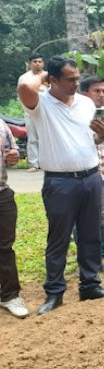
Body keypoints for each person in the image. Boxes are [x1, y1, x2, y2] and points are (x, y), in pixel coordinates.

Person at [17, 56, 104, 315]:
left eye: (77, 77)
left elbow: (95, 139)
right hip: (60, 182)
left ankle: (90, 285)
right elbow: (24, 88)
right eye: (70, 79)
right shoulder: (41, 104)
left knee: (90, 234)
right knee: (59, 238)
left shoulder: (85, 103)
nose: (77, 83)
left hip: (91, 177)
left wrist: (99, 134)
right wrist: (42, 74)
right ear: (52, 80)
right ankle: (54, 292)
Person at [79, 76, 104, 274]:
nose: (102, 95)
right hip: (78, 176)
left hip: (102, 174)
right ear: (84, 93)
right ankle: (84, 261)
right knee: (80, 220)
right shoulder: (75, 116)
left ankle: (102, 257)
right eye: (97, 91)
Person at [0, 120, 28, 318]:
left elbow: (13, 153)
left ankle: (9, 295)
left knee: (4, 247)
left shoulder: (1, 124)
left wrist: (14, 156)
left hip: (2, 194)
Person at [17, 53, 47, 173]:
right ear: (29, 64)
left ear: (43, 63)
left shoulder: (48, 76)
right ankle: (34, 164)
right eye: (34, 61)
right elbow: (21, 94)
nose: (37, 64)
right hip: (30, 112)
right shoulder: (24, 78)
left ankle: (47, 163)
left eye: (40, 61)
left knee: (46, 138)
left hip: (46, 113)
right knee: (32, 138)